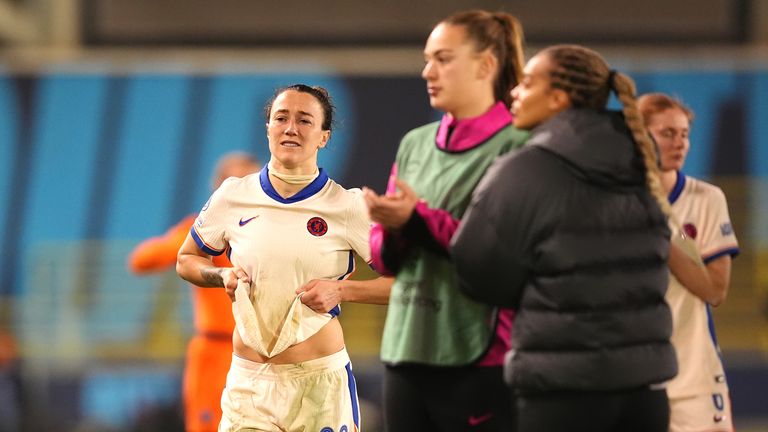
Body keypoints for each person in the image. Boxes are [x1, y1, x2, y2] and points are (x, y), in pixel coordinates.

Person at [451, 44, 677, 432]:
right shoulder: (640, 159)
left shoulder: (523, 170)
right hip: (645, 396)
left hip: (563, 396)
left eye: (526, 83)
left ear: (558, 98)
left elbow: (475, 269)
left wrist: (532, 291)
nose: (514, 93)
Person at [176, 84, 391, 432]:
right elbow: (186, 258)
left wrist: (343, 292)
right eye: (281, 118)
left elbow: (407, 283)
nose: (291, 128)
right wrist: (221, 276)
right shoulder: (232, 195)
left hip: (318, 386)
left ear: (324, 136)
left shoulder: (348, 206)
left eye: (305, 120)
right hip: (249, 386)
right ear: (268, 129)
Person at [362, 10, 528, 431]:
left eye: (443, 58)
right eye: (427, 58)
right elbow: (382, 258)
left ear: (486, 65)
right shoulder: (414, 144)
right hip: (406, 348)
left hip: (479, 357)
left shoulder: (520, 145)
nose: (427, 71)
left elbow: (494, 253)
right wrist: (394, 227)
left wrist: (416, 219)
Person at [127, 152, 260, 432]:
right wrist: (202, 242)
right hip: (217, 349)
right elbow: (141, 260)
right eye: (235, 182)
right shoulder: (203, 230)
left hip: (264, 353)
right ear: (219, 188)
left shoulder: (272, 231)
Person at [638, 92, 739, 432]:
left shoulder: (706, 199)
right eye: (667, 133)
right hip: (633, 379)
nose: (679, 143)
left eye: (684, 134)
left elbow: (715, 290)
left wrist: (661, 241)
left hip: (695, 380)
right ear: (640, 136)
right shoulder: (615, 201)